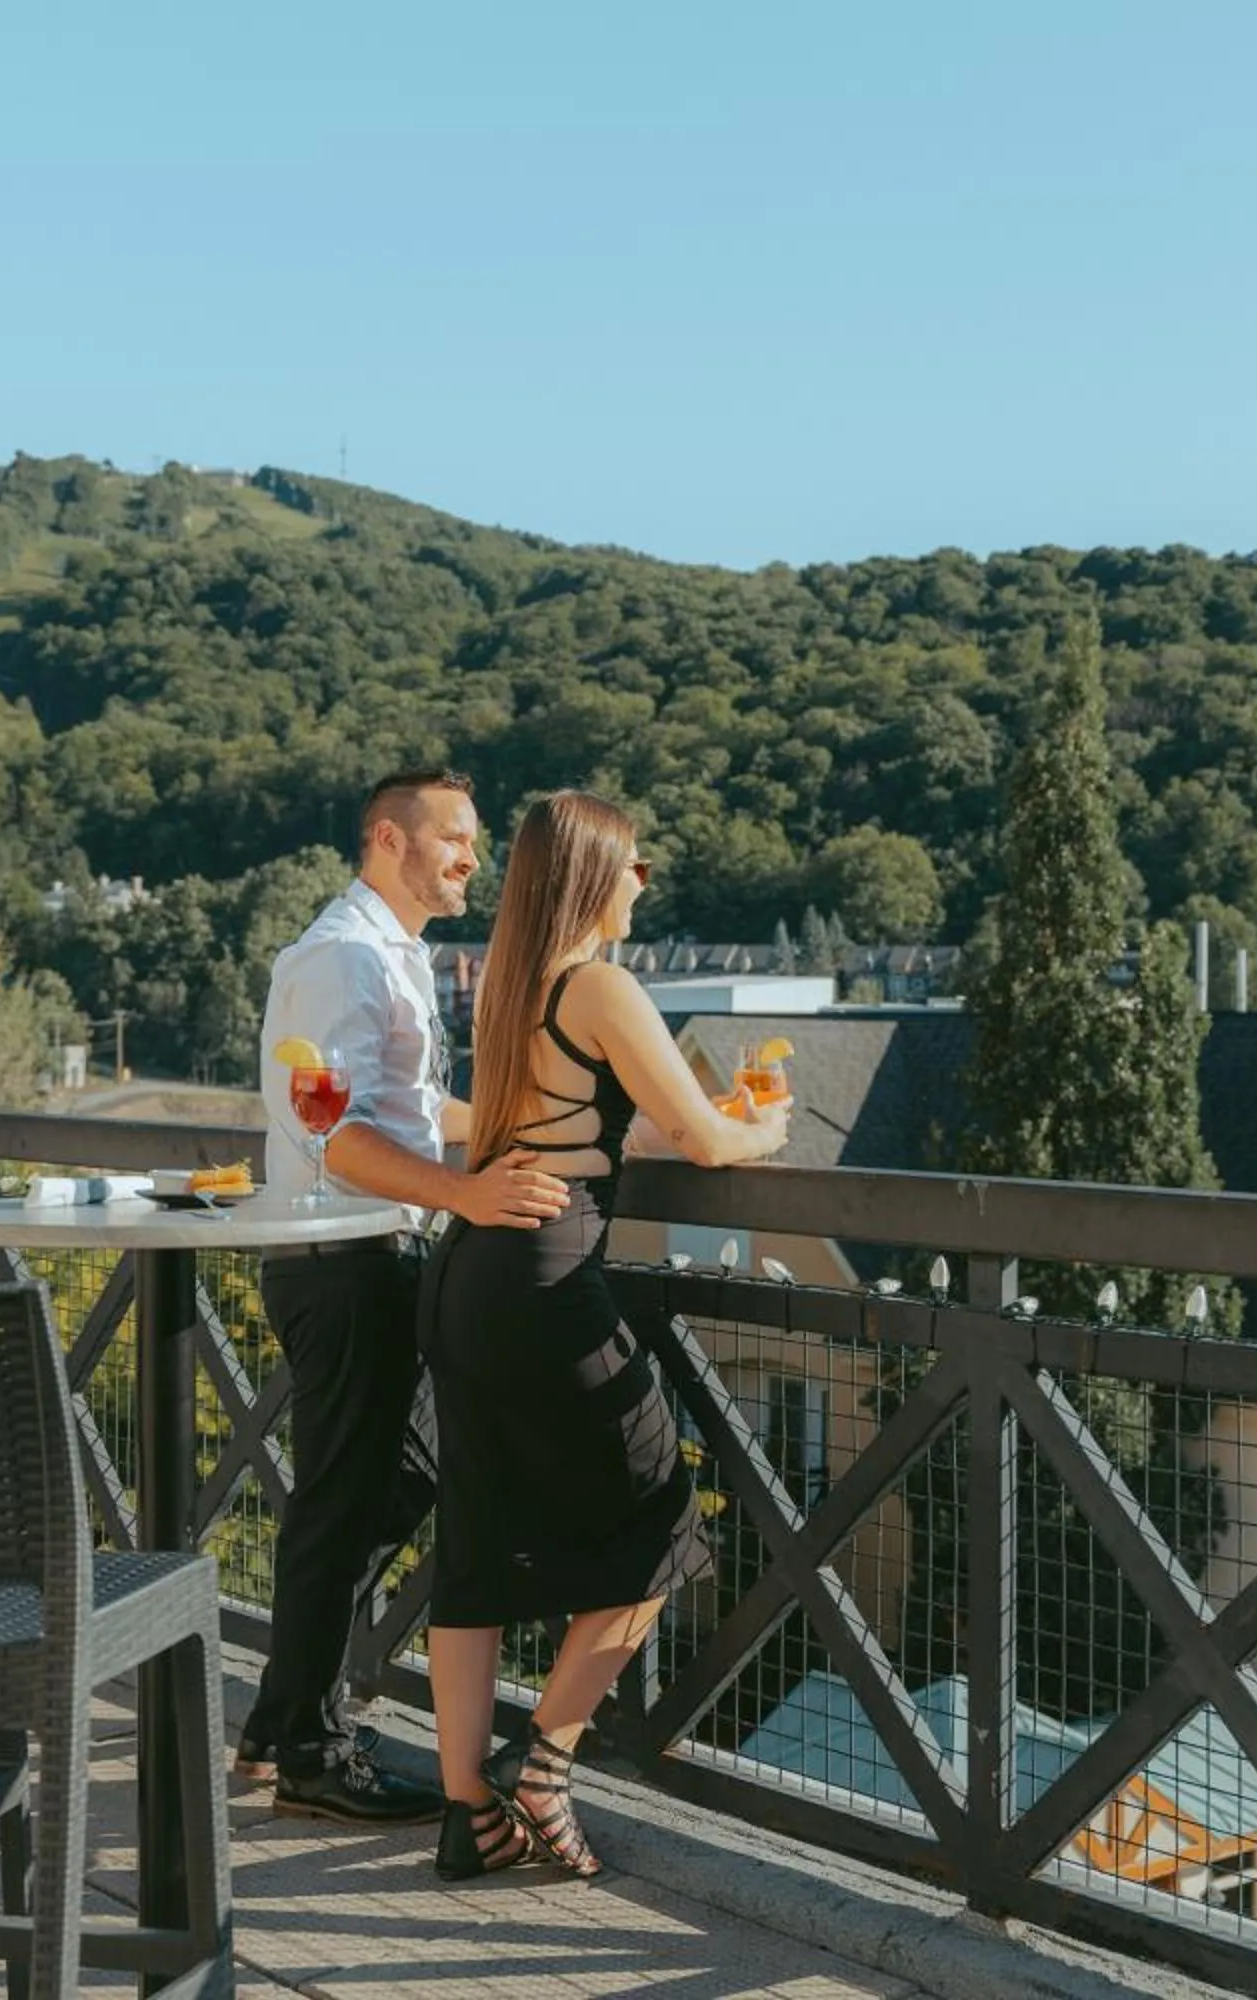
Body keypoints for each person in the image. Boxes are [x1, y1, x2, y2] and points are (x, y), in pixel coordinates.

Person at [418, 790, 791, 1881]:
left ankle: (466, 1811)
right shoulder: (601, 985)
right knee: (660, 1526)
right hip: (546, 1273)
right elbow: (706, 1137)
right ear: (590, 878)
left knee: (475, 1548)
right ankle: (546, 1765)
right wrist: (768, 1119)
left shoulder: (508, 984)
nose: (644, 883)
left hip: (468, 1272)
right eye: (631, 867)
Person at [245, 769, 570, 1824]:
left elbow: (415, 1109)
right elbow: (327, 1127)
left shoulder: (388, 954)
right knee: (344, 1497)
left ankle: (283, 1714)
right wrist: (466, 1190)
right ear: (389, 839)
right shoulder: (343, 955)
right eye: (456, 840)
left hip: (374, 1258)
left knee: (385, 1481)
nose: (473, 859)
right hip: (343, 1261)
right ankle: (307, 1743)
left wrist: (545, 1125)